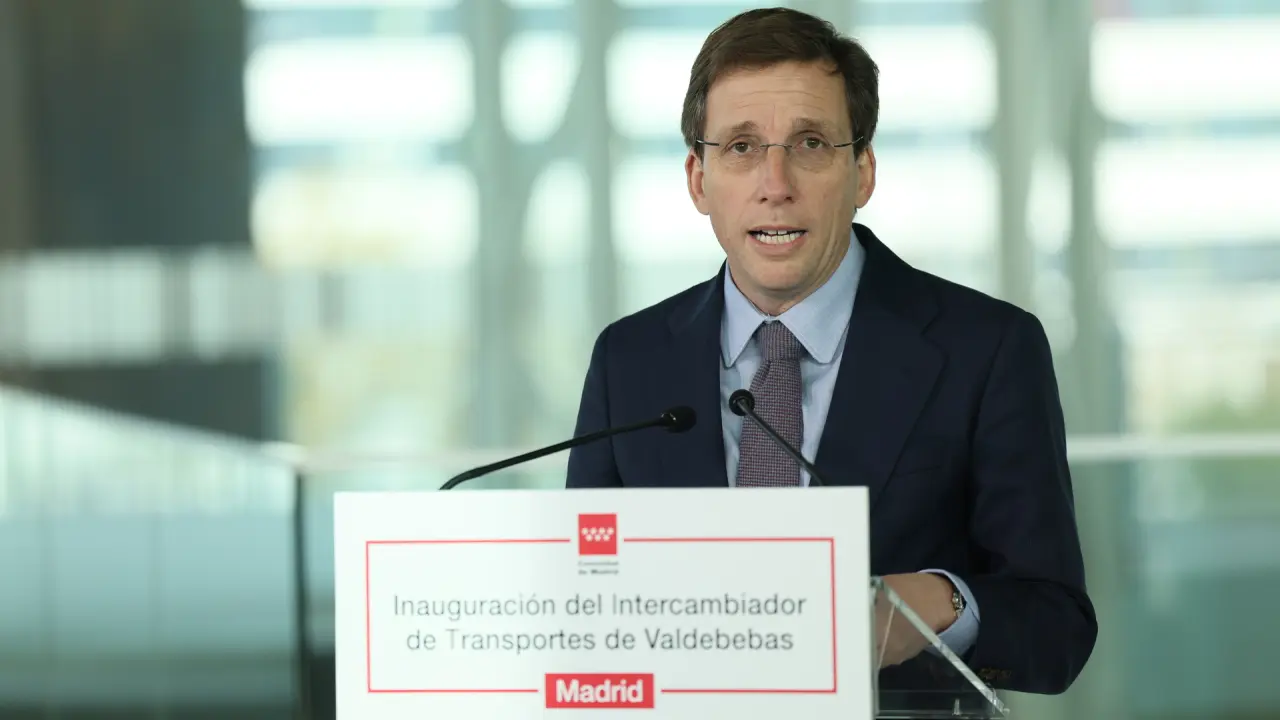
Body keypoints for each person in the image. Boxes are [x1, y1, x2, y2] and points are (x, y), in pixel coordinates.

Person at [565, 6, 1096, 695]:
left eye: (810, 143)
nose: (776, 184)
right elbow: (583, 603)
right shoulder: (629, 361)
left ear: (862, 171)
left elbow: (1055, 629)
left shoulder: (987, 349)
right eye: (742, 147)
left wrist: (938, 602)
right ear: (698, 178)